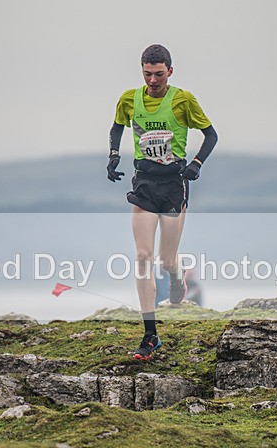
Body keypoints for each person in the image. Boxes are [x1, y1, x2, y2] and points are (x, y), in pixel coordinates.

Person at [107, 44, 218, 360]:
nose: (153, 80)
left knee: (166, 259)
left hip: (172, 185)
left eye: (158, 74)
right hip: (144, 183)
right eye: (147, 74)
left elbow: (211, 135)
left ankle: (175, 277)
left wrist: (196, 163)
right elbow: (117, 127)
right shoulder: (130, 99)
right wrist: (113, 156)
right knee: (143, 256)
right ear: (142, 71)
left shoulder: (183, 100)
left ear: (170, 71)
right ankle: (150, 335)